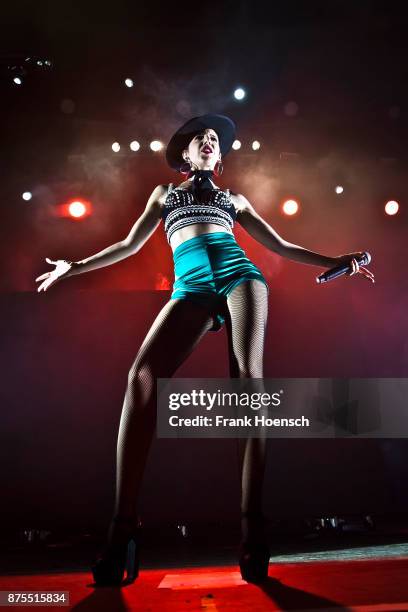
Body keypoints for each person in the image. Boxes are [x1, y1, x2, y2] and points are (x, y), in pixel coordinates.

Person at [35, 114, 374, 586]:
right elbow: (128, 246)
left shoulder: (233, 199)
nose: (210, 143)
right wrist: (75, 266)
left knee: (246, 388)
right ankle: (121, 531)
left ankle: (253, 529)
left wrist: (337, 260)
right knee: (141, 379)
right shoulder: (164, 196)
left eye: (215, 140)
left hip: (241, 278)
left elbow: (281, 244)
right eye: (201, 139)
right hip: (190, 287)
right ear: (184, 156)